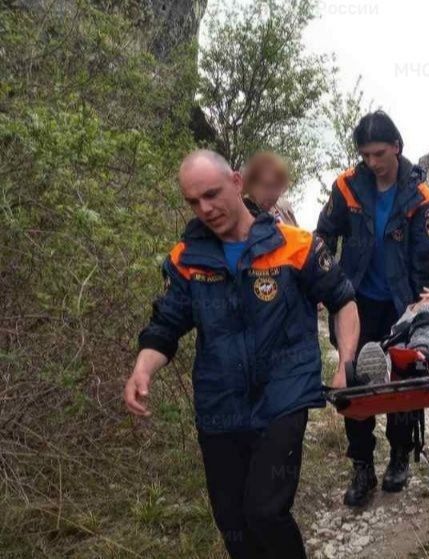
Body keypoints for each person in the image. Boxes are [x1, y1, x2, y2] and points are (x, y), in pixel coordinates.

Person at [123, 150, 359, 559]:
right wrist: (142, 369)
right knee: (233, 523)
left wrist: (346, 363)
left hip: (284, 394)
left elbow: (343, 301)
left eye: (211, 194)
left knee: (266, 511)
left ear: (236, 181)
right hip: (220, 401)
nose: (205, 209)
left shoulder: (295, 245)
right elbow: (165, 326)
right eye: (193, 201)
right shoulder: (186, 260)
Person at [317, 110, 429, 507]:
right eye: (365, 154)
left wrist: (420, 310)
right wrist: (329, 282)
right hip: (355, 303)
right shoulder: (347, 186)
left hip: (400, 304)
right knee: (355, 379)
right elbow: (324, 234)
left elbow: (427, 260)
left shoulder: (421, 198)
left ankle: (400, 455)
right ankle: (361, 466)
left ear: (397, 148)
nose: (372, 162)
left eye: (379, 154)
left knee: (400, 383)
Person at [242, 151, 299, 225]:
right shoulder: (243, 214)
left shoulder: (283, 210)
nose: (272, 194)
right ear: (252, 184)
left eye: (277, 187)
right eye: (267, 186)